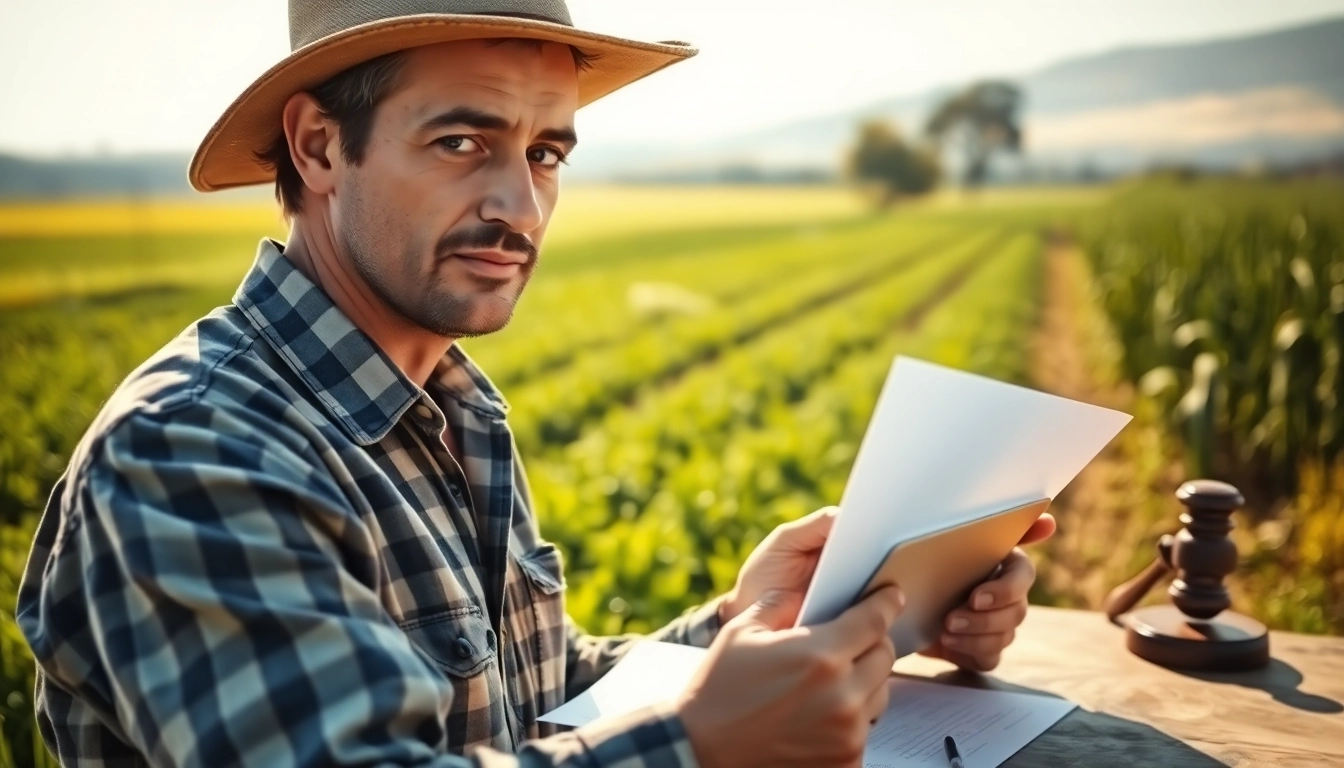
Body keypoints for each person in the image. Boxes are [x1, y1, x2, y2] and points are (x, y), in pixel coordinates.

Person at [16, 2, 1055, 766]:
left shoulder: (451, 406)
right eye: (462, 141)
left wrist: (748, 621)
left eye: (547, 151)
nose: (519, 204)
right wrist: (699, 747)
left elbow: (521, 705)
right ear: (321, 146)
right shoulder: (192, 453)